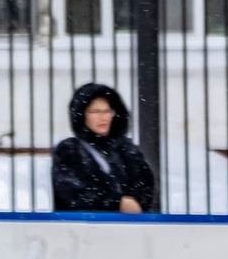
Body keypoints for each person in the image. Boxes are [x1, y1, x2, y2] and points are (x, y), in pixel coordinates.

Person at [52, 83, 158, 214]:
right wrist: (116, 203)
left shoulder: (127, 150)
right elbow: (73, 193)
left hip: (129, 228)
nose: (103, 117)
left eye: (107, 111)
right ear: (82, 115)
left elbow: (146, 187)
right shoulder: (69, 150)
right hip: (81, 229)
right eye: (95, 111)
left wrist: (135, 203)